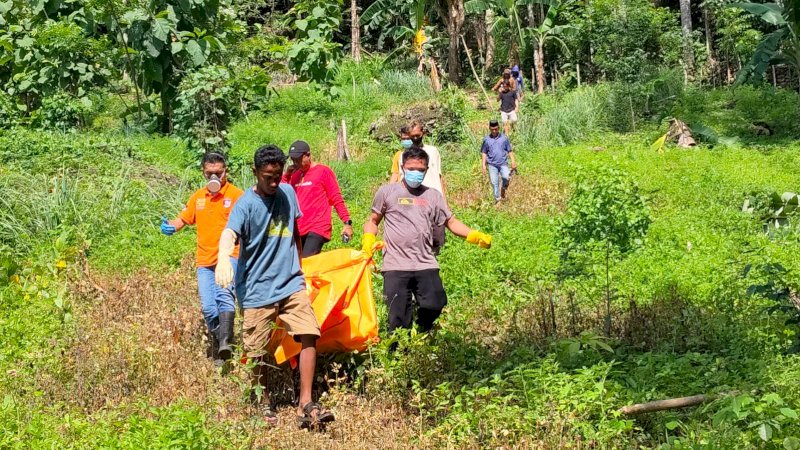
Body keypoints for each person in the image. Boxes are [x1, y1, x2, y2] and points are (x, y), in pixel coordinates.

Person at [215, 144, 334, 429]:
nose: (273, 181)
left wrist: (301, 269)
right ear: (255, 173)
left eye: (277, 175)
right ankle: (263, 402)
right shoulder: (246, 204)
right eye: (267, 176)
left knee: (309, 333)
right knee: (257, 350)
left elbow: (295, 233)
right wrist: (222, 257)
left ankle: (306, 403)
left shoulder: (288, 193)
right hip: (257, 288)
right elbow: (229, 233)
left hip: (290, 282)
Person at [362, 146, 492, 334]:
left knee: (435, 303)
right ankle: (400, 355)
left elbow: (451, 222)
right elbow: (372, 221)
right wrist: (368, 240)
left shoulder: (432, 195)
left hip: (425, 262)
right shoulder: (387, 192)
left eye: (420, 170)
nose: (416, 173)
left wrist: (475, 235)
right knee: (398, 321)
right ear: (402, 167)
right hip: (395, 264)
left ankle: (422, 330)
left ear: (426, 170)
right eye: (411, 168)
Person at [161, 152, 243, 366]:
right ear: (203, 172)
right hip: (204, 261)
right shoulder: (198, 197)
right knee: (208, 307)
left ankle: (225, 343)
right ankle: (221, 345)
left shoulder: (236, 196)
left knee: (224, 295)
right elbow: (184, 218)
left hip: (229, 256)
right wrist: (171, 225)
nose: (214, 177)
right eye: (209, 173)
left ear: (226, 171)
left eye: (218, 173)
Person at [286, 140, 353, 257]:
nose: (295, 163)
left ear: (308, 155)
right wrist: (287, 174)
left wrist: (347, 223)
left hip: (317, 227)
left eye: (298, 159)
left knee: (307, 263)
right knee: (296, 268)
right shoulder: (294, 175)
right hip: (299, 228)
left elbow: (336, 197)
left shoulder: (323, 171)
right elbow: (280, 189)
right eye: (293, 160)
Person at [481, 120, 518, 203]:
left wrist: (513, 162)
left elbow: (510, 151)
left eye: (496, 129)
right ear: (489, 128)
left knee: (506, 177)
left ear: (499, 128)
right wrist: (483, 165)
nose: (494, 131)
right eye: (492, 129)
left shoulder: (504, 138)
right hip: (492, 165)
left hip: (503, 163)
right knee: (494, 183)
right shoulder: (486, 140)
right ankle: (498, 200)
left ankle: (503, 189)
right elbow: (484, 152)